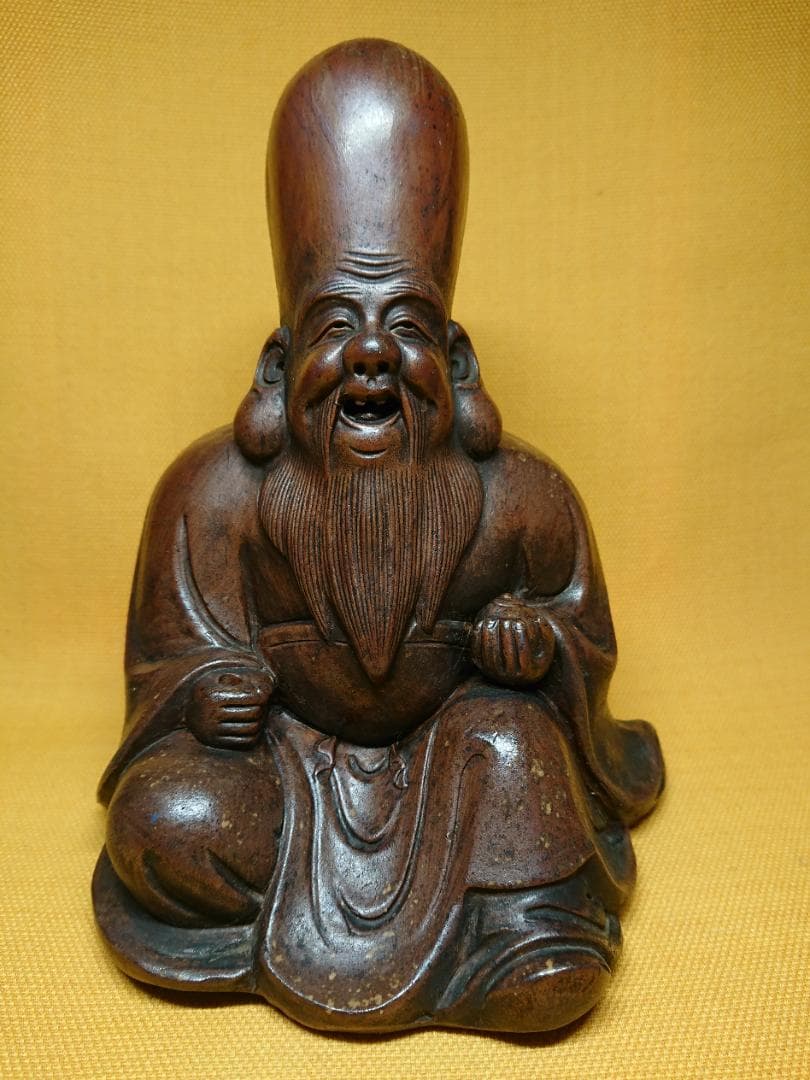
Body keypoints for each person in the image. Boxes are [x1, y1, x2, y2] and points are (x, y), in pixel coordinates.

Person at [94, 38, 663, 1033]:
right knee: (164, 819)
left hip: (456, 762)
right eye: (333, 327)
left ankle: (524, 936)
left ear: (457, 360)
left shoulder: (525, 498)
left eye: (404, 325)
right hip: (282, 773)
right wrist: (205, 696)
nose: (369, 358)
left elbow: (583, 643)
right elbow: (166, 666)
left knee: (516, 745)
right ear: (276, 368)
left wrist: (536, 649)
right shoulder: (208, 497)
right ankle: (481, 938)